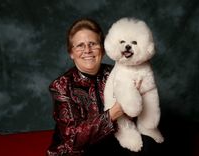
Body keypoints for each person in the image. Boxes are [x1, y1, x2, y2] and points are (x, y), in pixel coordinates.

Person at [47, 18, 163, 156]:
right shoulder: (61, 86)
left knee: (151, 145)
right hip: (76, 150)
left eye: (93, 44)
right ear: (71, 53)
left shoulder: (116, 72)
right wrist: (114, 112)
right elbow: (74, 139)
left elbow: (136, 113)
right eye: (80, 45)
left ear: (102, 49)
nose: (87, 50)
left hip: (109, 141)